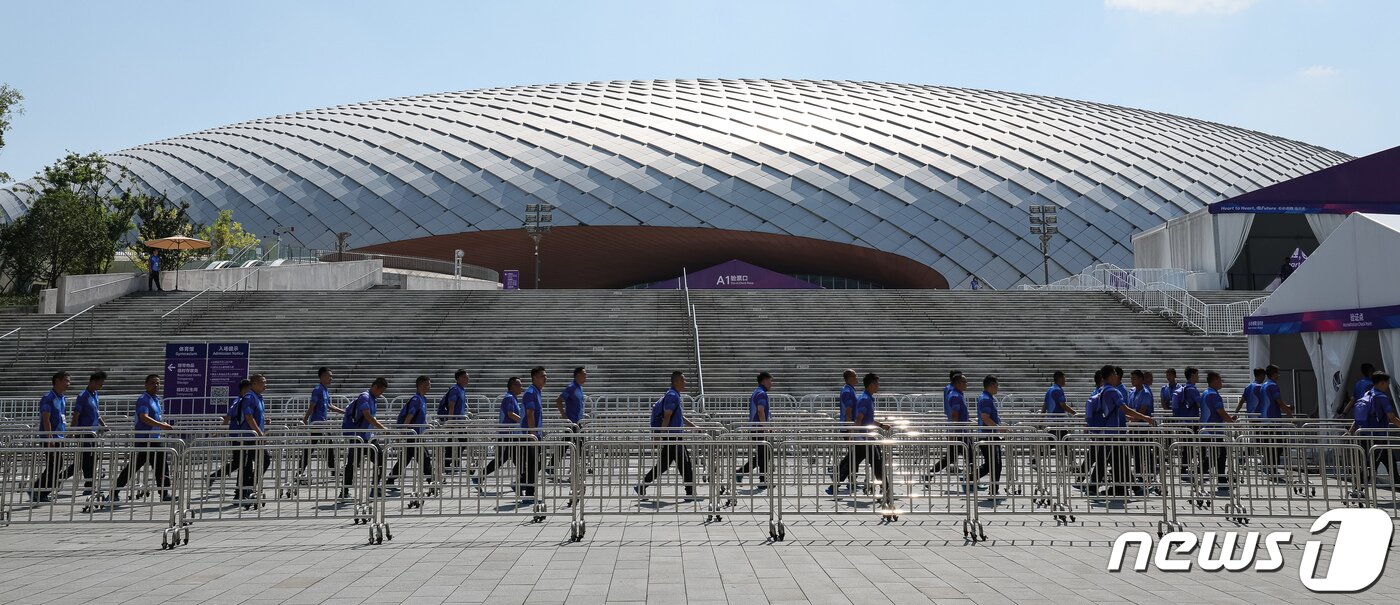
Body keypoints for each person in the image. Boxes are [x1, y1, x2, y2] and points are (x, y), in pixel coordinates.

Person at [636, 371, 699, 498]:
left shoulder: (674, 395)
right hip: (673, 436)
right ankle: (690, 491)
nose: (685, 382)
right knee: (685, 464)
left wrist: (693, 426)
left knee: (663, 465)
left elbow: (678, 416)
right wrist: (659, 436)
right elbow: (667, 417)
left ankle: (642, 486)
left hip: (673, 435)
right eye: (683, 380)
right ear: (676, 381)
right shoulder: (672, 395)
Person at [113, 375, 175, 502]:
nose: (156, 386)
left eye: (158, 383)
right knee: (134, 466)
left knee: (161, 466)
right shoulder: (144, 399)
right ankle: (114, 491)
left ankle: (164, 493)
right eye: (152, 383)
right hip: (145, 439)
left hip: (154, 438)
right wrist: (161, 425)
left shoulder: (156, 399)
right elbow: (143, 417)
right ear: (145, 384)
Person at [829, 373, 891, 495]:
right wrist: (852, 434)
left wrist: (881, 425)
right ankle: (886, 488)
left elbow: (867, 419)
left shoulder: (867, 397)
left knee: (853, 460)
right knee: (877, 462)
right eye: (876, 384)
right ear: (871, 385)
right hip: (865, 438)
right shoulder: (865, 399)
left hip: (863, 437)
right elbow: (859, 419)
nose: (878, 386)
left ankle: (834, 486)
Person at [340, 378, 389, 499]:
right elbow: (367, 416)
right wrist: (383, 428)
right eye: (381, 391)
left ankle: (375, 488)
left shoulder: (373, 398)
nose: (381, 394)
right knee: (352, 464)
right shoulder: (365, 397)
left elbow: (371, 417)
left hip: (368, 436)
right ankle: (344, 490)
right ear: (376, 387)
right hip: (359, 437)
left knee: (380, 458)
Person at [1348, 372, 1399, 485]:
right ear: (1382, 383)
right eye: (1388, 384)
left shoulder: (1367, 394)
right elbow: (1392, 417)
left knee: (1391, 462)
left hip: (1365, 436)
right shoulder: (1381, 397)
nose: (1388, 386)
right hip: (1378, 437)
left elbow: (1358, 418)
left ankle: (1397, 483)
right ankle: (1358, 489)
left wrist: (1350, 431)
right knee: (1371, 466)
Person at [475, 377, 524, 489]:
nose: (521, 388)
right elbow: (510, 414)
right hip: (507, 435)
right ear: (512, 386)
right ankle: (480, 477)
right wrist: (523, 422)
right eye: (519, 385)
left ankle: (520, 482)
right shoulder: (509, 398)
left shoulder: (513, 398)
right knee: (502, 459)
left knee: (518, 459)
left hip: (512, 435)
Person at [31, 372, 71, 502]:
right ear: (57, 381)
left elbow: (61, 418)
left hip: (59, 436)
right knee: (55, 465)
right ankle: (38, 491)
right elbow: (46, 419)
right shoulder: (48, 397)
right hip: (50, 437)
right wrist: (49, 438)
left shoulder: (62, 397)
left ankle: (38, 490)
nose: (68, 384)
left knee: (56, 465)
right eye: (66, 381)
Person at [388, 375, 434, 488]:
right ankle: (431, 479)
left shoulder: (422, 399)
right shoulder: (416, 400)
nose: (429, 386)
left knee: (406, 459)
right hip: (413, 436)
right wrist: (401, 435)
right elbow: (409, 417)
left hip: (417, 435)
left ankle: (390, 480)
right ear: (421, 385)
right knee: (424, 458)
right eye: (427, 384)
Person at [924, 373, 971, 482]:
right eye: (965, 382)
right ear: (958, 383)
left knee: (953, 456)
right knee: (968, 455)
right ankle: (971, 479)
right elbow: (954, 414)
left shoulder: (958, 394)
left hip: (961, 430)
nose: (966, 384)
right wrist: (953, 432)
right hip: (959, 432)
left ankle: (930, 473)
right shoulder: (955, 395)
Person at [207, 379, 252, 487]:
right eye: (250, 389)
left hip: (242, 436)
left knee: (240, 462)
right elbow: (228, 417)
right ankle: (240, 487)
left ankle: (216, 477)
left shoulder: (244, 400)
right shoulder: (238, 401)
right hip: (238, 436)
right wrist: (219, 432)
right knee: (241, 462)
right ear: (245, 389)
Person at [299, 367, 343, 476]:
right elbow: (312, 406)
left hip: (322, 424)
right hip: (317, 424)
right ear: (322, 377)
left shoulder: (325, 390)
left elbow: (329, 406)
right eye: (329, 376)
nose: (331, 379)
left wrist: (344, 412)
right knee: (311, 448)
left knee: (323, 446)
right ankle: (300, 471)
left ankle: (333, 470)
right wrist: (304, 419)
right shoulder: (318, 390)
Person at [70, 371, 108, 496]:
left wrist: (103, 425)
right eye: (100, 384)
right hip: (84, 432)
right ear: (93, 382)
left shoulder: (95, 395)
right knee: (87, 459)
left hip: (93, 433)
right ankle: (89, 485)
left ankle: (59, 477)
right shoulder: (83, 396)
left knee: (88, 460)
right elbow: (76, 415)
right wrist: (73, 431)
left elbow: (97, 413)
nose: (101, 386)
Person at [734, 372, 772, 490]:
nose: (771, 384)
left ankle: (762, 480)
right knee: (764, 454)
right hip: (758, 429)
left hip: (755, 428)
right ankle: (742, 472)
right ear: (764, 381)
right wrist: (765, 427)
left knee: (764, 454)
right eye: (770, 381)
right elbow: (760, 411)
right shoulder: (761, 393)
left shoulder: (757, 392)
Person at [1199, 371, 1236, 492]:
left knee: (1216, 455)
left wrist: (1229, 418)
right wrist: (1232, 422)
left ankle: (1215, 477)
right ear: (1214, 380)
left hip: (1208, 430)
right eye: (1220, 380)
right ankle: (1220, 479)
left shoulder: (1206, 393)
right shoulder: (1213, 395)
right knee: (1220, 455)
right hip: (1213, 431)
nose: (1221, 382)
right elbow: (1220, 411)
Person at [237, 374, 269, 505]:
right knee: (248, 465)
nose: (265, 385)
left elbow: (255, 416)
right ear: (254, 384)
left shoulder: (258, 397)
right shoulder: (249, 397)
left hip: (255, 436)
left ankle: (248, 488)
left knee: (261, 461)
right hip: (249, 437)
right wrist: (259, 433)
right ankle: (243, 491)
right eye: (262, 382)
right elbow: (249, 417)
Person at [518, 366, 547, 506]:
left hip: (535, 433)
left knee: (536, 463)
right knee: (533, 464)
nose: (545, 378)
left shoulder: (537, 391)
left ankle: (523, 485)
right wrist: (533, 433)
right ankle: (529, 493)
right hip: (531, 435)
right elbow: (530, 414)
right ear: (534, 377)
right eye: (542, 376)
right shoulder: (530, 392)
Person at [974, 375, 1006, 494]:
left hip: (988, 435)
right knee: (995, 464)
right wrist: (999, 428)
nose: (998, 387)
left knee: (991, 464)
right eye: (997, 385)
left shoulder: (987, 398)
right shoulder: (986, 399)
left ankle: (972, 478)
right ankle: (992, 488)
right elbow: (985, 418)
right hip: (988, 436)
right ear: (991, 385)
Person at [437, 369, 470, 471]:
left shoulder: (461, 389)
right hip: (455, 421)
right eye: (465, 377)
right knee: (461, 441)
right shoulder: (455, 389)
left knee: (456, 441)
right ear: (459, 378)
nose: (467, 379)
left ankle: (451, 461)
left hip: (459, 421)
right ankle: (451, 461)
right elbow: (451, 406)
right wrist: (450, 421)